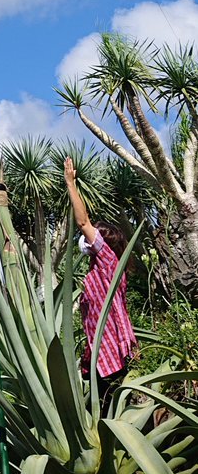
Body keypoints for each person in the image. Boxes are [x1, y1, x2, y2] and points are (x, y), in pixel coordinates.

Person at [64, 156, 137, 411]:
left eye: (94, 234)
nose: (86, 237)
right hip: (101, 353)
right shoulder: (103, 268)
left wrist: (70, 184)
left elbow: (83, 222)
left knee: (110, 408)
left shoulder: (107, 260)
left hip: (110, 353)